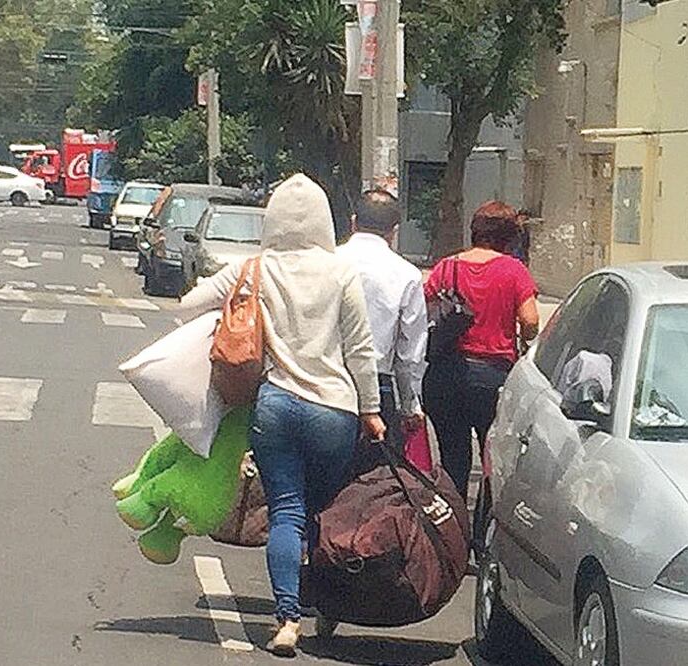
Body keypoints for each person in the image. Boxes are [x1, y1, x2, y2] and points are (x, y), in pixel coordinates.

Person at [181, 174, 385, 657]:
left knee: (286, 513)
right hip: (334, 409)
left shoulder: (254, 267)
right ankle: (327, 604)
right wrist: (371, 410)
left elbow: (188, 304)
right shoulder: (340, 273)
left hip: (274, 406)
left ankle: (288, 619)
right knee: (324, 511)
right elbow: (360, 350)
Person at [422, 201, 540, 499]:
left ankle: (453, 534)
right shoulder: (514, 271)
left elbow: (422, 312)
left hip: (444, 374)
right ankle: (483, 530)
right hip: (491, 377)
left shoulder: (445, 267)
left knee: (452, 460)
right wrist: (525, 339)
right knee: (493, 462)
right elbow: (530, 321)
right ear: (509, 237)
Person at [337, 189, 428, 473]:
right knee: (374, 486)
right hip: (378, 387)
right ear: (394, 232)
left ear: (353, 223)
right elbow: (410, 352)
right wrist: (410, 405)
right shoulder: (407, 275)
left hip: (322, 380)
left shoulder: (327, 261)